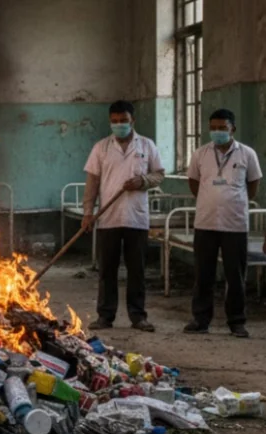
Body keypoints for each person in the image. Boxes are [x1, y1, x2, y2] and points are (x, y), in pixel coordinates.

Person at [82, 100, 165, 332]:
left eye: (124, 121)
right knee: (107, 270)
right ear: (110, 122)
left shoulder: (147, 146)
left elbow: (159, 175)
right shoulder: (101, 148)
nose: (119, 125)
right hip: (108, 217)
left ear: (133, 121)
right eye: (115, 122)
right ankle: (105, 316)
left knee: (136, 269)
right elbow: (92, 183)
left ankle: (138, 316)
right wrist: (88, 212)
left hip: (136, 219)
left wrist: (143, 181)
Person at [184, 109, 262, 337]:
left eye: (222, 128)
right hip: (205, 223)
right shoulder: (200, 154)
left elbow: (253, 183)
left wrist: (236, 200)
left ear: (232, 129)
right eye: (214, 128)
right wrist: (210, 200)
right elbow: (193, 181)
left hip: (234, 224)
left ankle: (237, 322)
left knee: (235, 275)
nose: (217, 132)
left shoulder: (247, 154)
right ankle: (200, 320)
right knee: (203, 274)